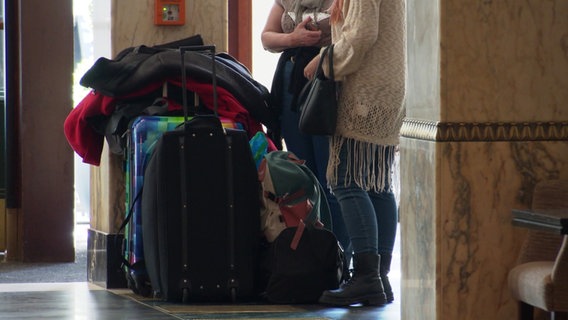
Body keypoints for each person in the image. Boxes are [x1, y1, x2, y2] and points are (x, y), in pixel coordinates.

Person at [306, 0, 406, 307]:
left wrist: (323, 62)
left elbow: (361, 35)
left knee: (345, 179)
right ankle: (380, 278)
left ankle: (366, 278)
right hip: (390, 90)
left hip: (364, 92)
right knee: (377, 185)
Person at [261, 0, 353, 268]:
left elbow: (354, 38)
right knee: (304, 175)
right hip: (291, 84)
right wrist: (294, 38)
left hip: (328, 83)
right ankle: (310, 255)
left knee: (332, 175)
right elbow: (267, 38)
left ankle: (338, 257)